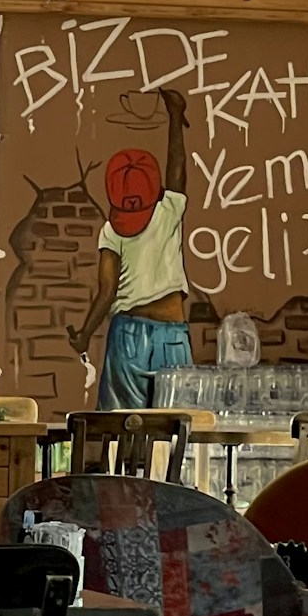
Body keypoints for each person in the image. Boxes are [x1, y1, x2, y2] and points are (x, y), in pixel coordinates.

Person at [71, 86, 193, 410]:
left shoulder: (112, 232)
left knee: (120, 431)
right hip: (174, 335)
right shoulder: (168, 211)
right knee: (176, 430)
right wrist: (175, 116)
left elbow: (107, 291)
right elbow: (177, 167)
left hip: (128, 336)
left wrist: (84, 333)